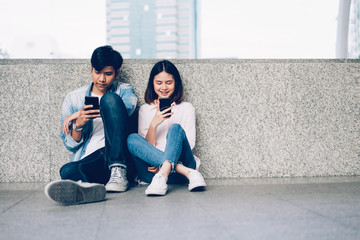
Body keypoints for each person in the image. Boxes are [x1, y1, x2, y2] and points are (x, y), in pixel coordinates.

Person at [45, 45, 137, 205]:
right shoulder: (74, 98)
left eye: (108, 74)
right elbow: (70, 144)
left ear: (117, 73)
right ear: (91, 68)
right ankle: (90, 189)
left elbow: (128, 108)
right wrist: (78, 124)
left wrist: (75, 115)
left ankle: (117, 171)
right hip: (93, 160)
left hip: (119, 157)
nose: (102, 79)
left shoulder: (124, 90)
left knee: (110, 99)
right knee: (66, 170)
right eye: (97, 72)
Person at [127, 60, 206, 196]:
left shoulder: (187, 108)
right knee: (132, 139)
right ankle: (188, 173)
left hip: (181, 166)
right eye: (159, 83)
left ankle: (165, 173)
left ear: (176, 83)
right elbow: (144, 149)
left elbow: (190, 143)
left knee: (175, 128)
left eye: (168, 83)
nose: (164, 87)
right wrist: (153, 124)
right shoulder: (145, 110)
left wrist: (162, 164)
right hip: (152, 173)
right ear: (152, 84)